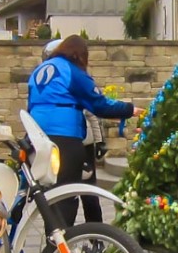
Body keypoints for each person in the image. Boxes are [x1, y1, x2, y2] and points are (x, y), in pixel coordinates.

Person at [29, 35, 141, 227]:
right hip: (64, 139)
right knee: (66, 194)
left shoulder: (38, 71)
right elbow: (99, 105)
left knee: (47, 193)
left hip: (35, 136)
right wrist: (129, 109)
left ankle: (48, 240)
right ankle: (60, 250)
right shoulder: (72, 71)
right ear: (78, 54)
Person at [42, 39, 108, 225]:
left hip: (82, 143)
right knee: (58, 194)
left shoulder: (74, 76)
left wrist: (99, 140)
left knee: (88, 193)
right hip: (56, 144)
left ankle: (96, 238)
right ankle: (60, 236)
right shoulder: (48, 81)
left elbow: (92, 112)